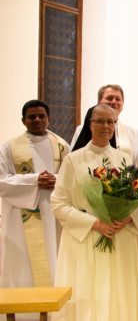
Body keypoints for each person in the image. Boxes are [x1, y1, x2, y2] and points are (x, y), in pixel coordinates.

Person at [51, 104, 138, 321]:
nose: (106, 126)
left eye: (110, 122)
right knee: (89, 293)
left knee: (118, 293)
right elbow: (58, 203)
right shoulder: (73, 160)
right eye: (100, 121)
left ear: (115, 125)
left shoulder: (124, 160)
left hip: (118, 237)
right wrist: (94, 223)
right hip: (87, 238)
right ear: (90, 125)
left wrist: (127, 217)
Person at [0, 100, 69, 296]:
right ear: (23, 120)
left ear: (49, 119)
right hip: (20, 218)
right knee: (22, 265)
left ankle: (55, 312)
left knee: (54, 259)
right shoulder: (9, 148)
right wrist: (34, 180)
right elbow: (1, 180)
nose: (37, 120)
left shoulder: (62, 146)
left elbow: (72, 177)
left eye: (42, 116)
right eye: (32, 116)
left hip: (54, 216)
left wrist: (55, 179)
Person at [70, 84, 138, 166]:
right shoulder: (82, 129)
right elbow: (75, 158)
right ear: (99, 102)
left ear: (122, 105)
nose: (114, 102)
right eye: (109, 98)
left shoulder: (133, 134)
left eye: (118, 99)